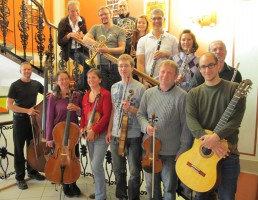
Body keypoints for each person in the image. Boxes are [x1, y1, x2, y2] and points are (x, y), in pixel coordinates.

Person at [186, 52, 246, 200]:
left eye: (210, 65)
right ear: (199, 70)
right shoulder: (193, 93)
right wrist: (208, 141)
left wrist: (216, 137)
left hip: (227, 155)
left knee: (227, 196)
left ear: (218, 65)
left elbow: (235, 121)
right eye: (203, 67)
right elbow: (191, 120)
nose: (207, 70)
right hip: (203, 152)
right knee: (201, 196)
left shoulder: (235, 89)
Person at [137, 60, 192, 199]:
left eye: (169, 73)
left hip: (171, 153)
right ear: (158, 73)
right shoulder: (148, 93)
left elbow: (186, 125)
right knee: (151, 187)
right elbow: (140, 114)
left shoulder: (182, 97)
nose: (165, 75)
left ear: (175, 76)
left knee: (169, 188)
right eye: (162, 71)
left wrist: (183, 149)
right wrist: (146, 126)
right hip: (150, 150)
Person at [106, 54, 146, 200]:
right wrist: (110, 130)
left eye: (126, 65)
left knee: (135, 171)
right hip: (116, 135)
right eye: (120, 66)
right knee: (118, 170)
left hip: (134, 135)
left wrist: (131, 109)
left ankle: (133, 197)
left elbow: (143, 113)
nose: (123, 68)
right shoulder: (114, 87)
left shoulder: (141, 88)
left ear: (132, 68)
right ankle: (121, 196)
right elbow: (113, 111)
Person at [7, 62, 45, 190]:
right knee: (19, 149)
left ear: (31, 71)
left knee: (32, 146)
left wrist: (36, 108)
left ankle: (32, 171)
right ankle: (19, 177)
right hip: (20, 121)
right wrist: (27, 110)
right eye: (25, 69)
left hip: (33, 120)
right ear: (20, 71)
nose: (27, 71)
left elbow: (47, 96)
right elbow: (10, 105)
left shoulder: (36, 84)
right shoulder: (14, 85)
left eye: (29, 69)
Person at [46, 71, 82, 198]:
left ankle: (73, 182)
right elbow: (49, 118)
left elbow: (82, 114)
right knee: (61, 159)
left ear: (69, 80)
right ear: (57, 82)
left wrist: (77, 109)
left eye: (66, 79)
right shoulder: (53, 97)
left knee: (74, 158)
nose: (64, 81)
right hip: (59, 134)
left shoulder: (76, 95)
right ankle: (65, 184)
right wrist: (49, 137)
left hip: (73, 134)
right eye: (61, 79)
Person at [80, 68, 112, 200]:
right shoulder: (86, 95)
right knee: (94, 165)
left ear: (99, 79)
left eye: (93, 77)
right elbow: (83, 115)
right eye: (89, 78)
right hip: (88, 134)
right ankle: (99, 191)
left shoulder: (105, 94)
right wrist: (82, 127)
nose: (91, 80)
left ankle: (101, 196)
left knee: (96, 165)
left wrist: (94, 130)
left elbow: (106, 116)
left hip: (100, 135)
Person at [83, 6, 126, 91]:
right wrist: (97, 44)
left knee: (117, 90)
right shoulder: (96, 28)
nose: (103, 16)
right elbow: (85, 39)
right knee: (104, 91)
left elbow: (122, 49)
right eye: (101, 15)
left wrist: (107, 50)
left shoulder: (119, 30)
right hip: (101, 65)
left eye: (105, 14)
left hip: (116, 64)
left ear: (111, 14)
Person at [136, 8, 178, 88]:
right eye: (154, 18)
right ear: (150, 20)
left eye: (159, 18)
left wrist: (166, 54)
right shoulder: (142, 40)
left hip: (168, 82)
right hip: (149, 82)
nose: (156, 21)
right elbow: (140, 63)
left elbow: (178, 61)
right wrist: (143, 81)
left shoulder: (173, 39)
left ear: (164, 20)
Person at [58, 0, 89, 92]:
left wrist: (83, 35)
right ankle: (79, 87)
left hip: (82, 48)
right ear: (68, 11)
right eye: (72, 11)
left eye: (77, 10)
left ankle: (81, 87)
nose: (75, 13)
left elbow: (86, 34)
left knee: (91, 66)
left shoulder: (82, 19)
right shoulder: (63, 22)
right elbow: (60, 41)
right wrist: (69, 35)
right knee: (88, 65)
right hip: (71, 50)